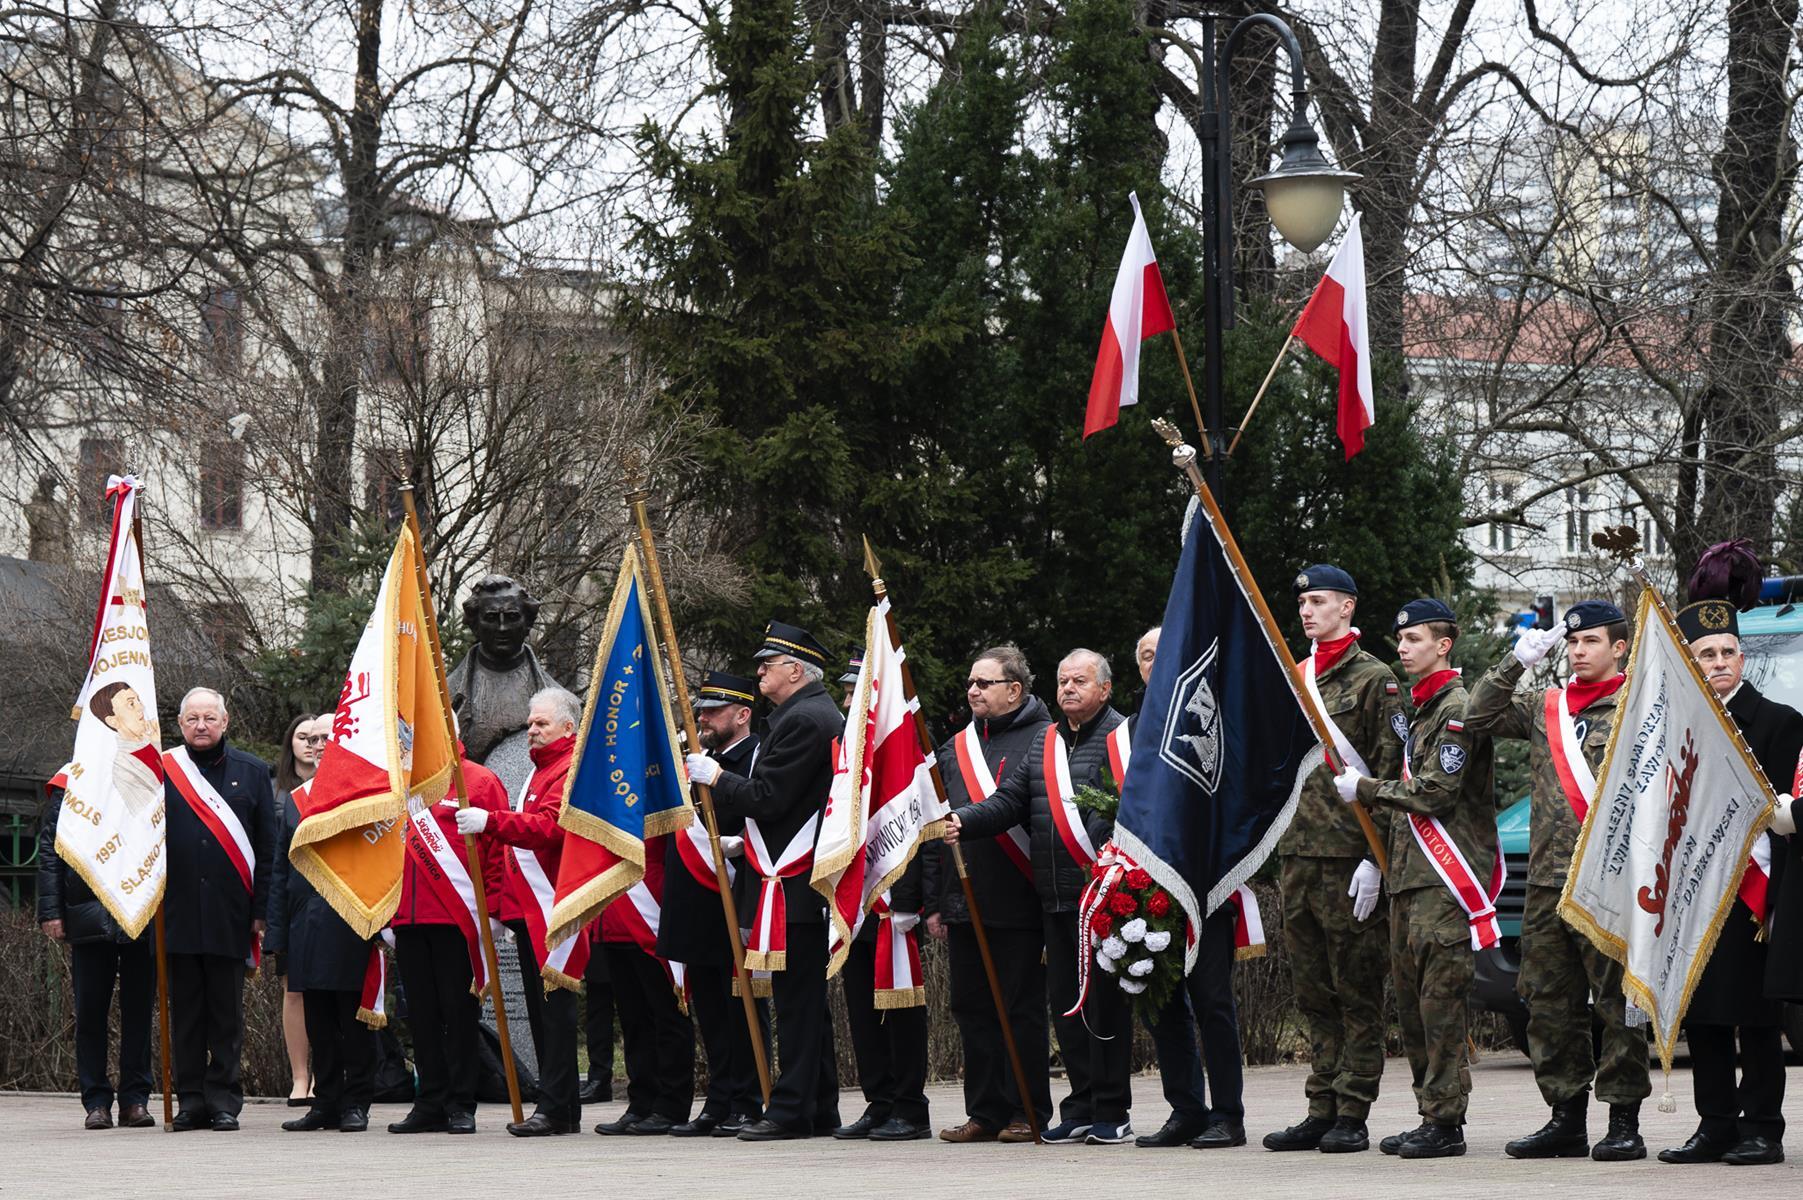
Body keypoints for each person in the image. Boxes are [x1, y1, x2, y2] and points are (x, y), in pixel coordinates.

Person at [1465, 599, 1649, 1161]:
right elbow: (1476, 716)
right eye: (1572, 642)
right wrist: (1515, 662)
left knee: (1617, 1004)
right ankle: (1566, 1117)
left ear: (1620, 647)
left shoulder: (1640, 707)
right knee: (1547, 1001)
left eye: (1590, 641)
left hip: (1609, 879)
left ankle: (1623, 1120)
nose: (1577, 651)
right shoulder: (1548, 707)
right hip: (1547, 884)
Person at [944, 649, 1134, 1145]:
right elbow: (1009, 800)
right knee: (1067, 1008)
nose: (1068, 688)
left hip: (1105, 895)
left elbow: (1125, 810)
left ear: (1105, 688)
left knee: (1104, 1008)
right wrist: (965, 820)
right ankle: (1080, 1107)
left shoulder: (1122, 737)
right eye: (1063, 680)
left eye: (1080, 681)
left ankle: (1112, 1109)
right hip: (1055, 897)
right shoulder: (1047, 742)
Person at [1334, 599, 1495, 1159]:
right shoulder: (1423, 708)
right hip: (1408, 879)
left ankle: (1446, 1121)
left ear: (1443, 645)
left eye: (1415, 639)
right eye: (1400, 640)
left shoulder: (1457, 707)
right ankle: (1430, 1111)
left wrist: (1367, 789)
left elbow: (1437, 792)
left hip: (1442, 883)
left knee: (1439, 1004)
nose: (1402, 648)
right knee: (1410, 1005)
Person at [1661, 587, 1803, 1166]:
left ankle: (1763, 1128)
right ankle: (1715, 1124)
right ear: (1692, 663)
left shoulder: (1779, 723)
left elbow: (1787, 815)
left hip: (1754, 893)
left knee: (1754, 1015)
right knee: (1703, 1014)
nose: (1719, 663)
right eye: (1706, 654)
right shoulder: (1676, 726)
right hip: (1693, 891)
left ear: (1742, 658)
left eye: (1727, 652)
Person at [1264, 566, 1404, 1154]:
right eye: (1302, 603)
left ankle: (1353, 1109)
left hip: (1350, 857)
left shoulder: (1375, 679)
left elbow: (1392, 771)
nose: (1306, 611)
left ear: (1347, 607)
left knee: (1357, 989)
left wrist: (1377, 856)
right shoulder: (1296, 676)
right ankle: (1320, 1105)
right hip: (1299, 854)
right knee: (1312, 991)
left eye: (1318, 601)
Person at [686, 622, 844, 1141]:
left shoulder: (805, 720)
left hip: (793, 877)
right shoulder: (806, 714)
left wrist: (717, 778)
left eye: (767, 664)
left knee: (797, 1002)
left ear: (795, 670)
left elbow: (770, 798)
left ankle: (792, 1110)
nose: (759, 672)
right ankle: (818, 1106)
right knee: (805, 1001)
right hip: (790, 875)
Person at [925, 646, 1054, 1145]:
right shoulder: (957, 746)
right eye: (971, 683)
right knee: (972, 1008)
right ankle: (984, 1110)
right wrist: (935, 902)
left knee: (1020, 1009)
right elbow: (935, 828)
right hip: (964, 899)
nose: (973, 691)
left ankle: (1027, 1110)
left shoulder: (1045, 739)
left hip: (1019, 898)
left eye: (985, 683)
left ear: (1014, 689)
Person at [1131, 624, 1248, 1151]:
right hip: (1145, 891)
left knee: (1212, 1003)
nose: (1155, 662)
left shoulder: (1211, 720)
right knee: (1161, 1005)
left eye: (1164, 652)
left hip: (1205, 888)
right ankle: (1186, 1109)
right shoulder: (1128, 730)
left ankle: (1228, 1114)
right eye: (1146, 656)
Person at [457, 687, 587, 1137]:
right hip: (530, 909)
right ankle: (559, 1108)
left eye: (541, 723)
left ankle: (556, 1108)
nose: (532, 730)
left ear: (567, 727)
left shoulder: (568, 769)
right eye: (531, 723)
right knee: (540, 1012)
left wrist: (491, 821)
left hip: (553, 906)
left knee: (554, 1014)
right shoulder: (541, 768)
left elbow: (550, 828)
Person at [160, 687, 277, 1132]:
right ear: (180, 725)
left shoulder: (252, 771)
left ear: (225, 722)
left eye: (210, 718)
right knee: (186, 1014)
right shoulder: (163, 771)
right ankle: (191, 1100)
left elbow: (267, 848)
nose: (201, 726)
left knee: (226, 1014)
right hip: (177, 912)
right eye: (192, 719)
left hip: (232, 912)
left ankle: (224, 1100)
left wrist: (261, 910)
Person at [660, 671, 769, 1138]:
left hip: (736, 895)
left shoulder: (756, 756)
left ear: (742, 715)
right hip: (697, 898)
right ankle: (718, 1100)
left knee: (740, 1007)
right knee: (709, 1006)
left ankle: (748, 1100)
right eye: (701, 710)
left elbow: (766, 812)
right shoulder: (701, 761)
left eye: (714, 711)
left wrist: (735, 844)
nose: (703, 718)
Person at [387, 747, 510, 1134]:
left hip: (456, 921)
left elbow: (497, 849)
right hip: (407, 919)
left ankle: (461, 1103)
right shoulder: (398, 781)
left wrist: (494, 912)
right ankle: (429, 1102)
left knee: (459, 1015)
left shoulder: (478, 780)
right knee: (420, 1016)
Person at [37, 784, 156, 1130]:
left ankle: (135, 1100)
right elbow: (51, 850)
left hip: (140, 912)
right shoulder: (72, 784)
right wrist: (51, 911)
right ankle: (96, 1102)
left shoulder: (146, 778)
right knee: (90, 1012)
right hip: (88, 915)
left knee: (139, 1012)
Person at [267, 768, 379, 1133]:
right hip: (304, 923)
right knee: (318, 1022)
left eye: (325, 742)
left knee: (353, 1020)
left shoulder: (365, 795)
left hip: (350, 922)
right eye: (313, 742)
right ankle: (326, 1101)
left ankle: (356, 1102)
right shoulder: (296, 800)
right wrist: (277, 933)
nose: (319, 748)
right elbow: (281, 870)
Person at [594, 830, 695, 1136]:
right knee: (633, 1021)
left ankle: (671, 1105)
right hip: (612, 917)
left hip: (648, 912)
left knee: (667, 1015)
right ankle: (641, 1102)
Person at [273, 712, 328, 1106]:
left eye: (322, 737)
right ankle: (299, 1077)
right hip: (294, 905)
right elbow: (274, 860)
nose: (314, 745)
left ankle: (326, 1077)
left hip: (334, 905)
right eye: (307, 737)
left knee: (329, 995)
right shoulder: (280, 793)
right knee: (294, 991)